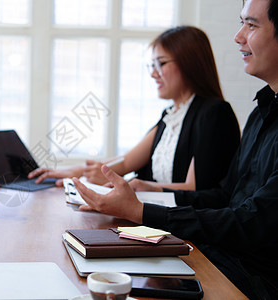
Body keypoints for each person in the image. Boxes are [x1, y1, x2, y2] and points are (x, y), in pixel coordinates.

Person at [73, 0, 278, 298]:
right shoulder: (260, 114)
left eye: (251, 24)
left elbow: (253, 222)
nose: (238, 36)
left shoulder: (213, 112)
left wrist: (144, 211)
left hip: (256, 279)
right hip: (225, 256)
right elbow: (224, 197)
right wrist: (142, 204)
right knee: (94, 271)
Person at [29, 26, 240, 192]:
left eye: (161, 63)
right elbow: (128, 161)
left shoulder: (214, 113)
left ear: (189, 63)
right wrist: (73, 173)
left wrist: (139, 187)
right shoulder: (171, 115)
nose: (153, 73)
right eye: (152, 65)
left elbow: (195, 189)